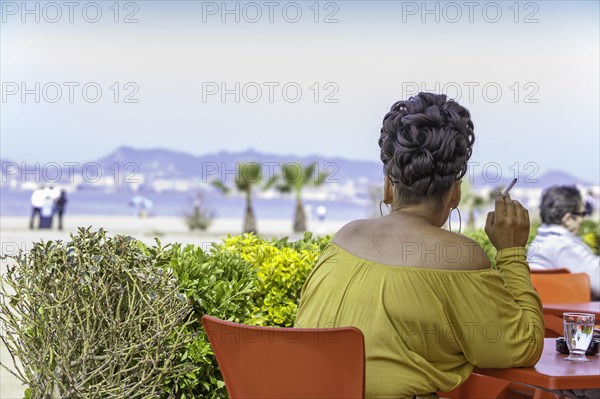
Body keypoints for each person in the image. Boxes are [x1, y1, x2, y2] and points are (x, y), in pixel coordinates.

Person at [294, 93, 544, 399]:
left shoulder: (342, 240)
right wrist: (512, 252)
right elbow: (522, 347)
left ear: (388, 186)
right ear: (455, 193)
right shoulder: (458, 258)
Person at [527, 185, 599, 299]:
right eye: (582, 214)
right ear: (568, 219)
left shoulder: (538, 243)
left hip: (543, 314)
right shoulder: (565, 247)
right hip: (569, 315)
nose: (583, 220)